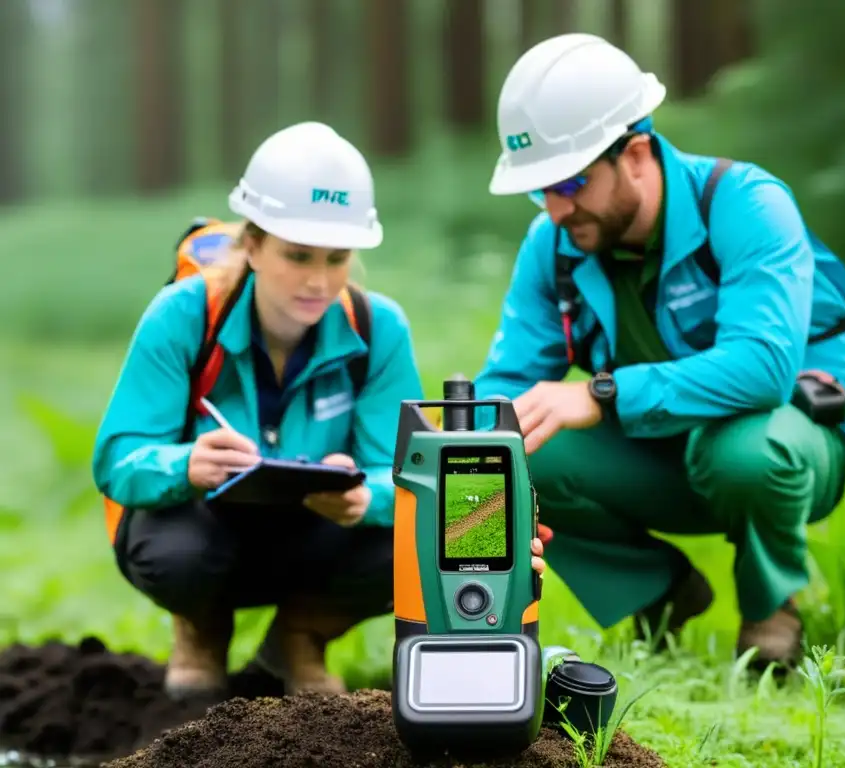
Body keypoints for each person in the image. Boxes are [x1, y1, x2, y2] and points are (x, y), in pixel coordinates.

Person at [473, 34, 845, 670]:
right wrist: (454, 457)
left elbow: (763, 370)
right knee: (512, 446)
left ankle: (770, 611)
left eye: (572, 183)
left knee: (746, 452)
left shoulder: (747, 204)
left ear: (636, 153)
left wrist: (598, 393)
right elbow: (507, 382)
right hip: (663, 447)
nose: (557, 209)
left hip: (794, 438)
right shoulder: (552, 242)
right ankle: (657, 592)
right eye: (541, 191)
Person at [93, 120, 549, 701]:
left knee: (415, 537)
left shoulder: (377, 327)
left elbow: (404, 472)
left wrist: (368, 498)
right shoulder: (183, 315)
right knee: (175, 555)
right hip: (202, 526)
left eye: (337, 258)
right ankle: (200, 630)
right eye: (298, 254)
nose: (318, 280)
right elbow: (117, 458)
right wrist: (186, 465)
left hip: (320, 531)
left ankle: (300, 637)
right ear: (253, 245)